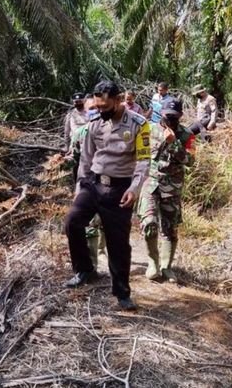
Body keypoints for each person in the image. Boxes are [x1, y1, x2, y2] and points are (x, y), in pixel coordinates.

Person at [63, 80, 151, 311]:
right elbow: (86, 159)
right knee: (72, 221)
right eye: (97, 107)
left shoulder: (138, 124)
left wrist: (134, 188)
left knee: (118, 243)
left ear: (119, 99)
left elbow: (143, 161)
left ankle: (122, 293)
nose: (100, 110)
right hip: (93, 184)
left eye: (105, 106)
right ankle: (85, 269)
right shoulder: (94, 123)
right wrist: (79, 188)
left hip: (120, 189)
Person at [138, 99, 195, 283]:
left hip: (172, 187)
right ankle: (153, 263)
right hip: (150, 182)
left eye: (174, 116)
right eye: (167, 115)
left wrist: (174, 143)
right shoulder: (149, 129)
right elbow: (138, 154)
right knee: (149, 222)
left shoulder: (186, 135)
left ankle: (166, 267)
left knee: (170, 228)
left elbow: (190, 162)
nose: (170, 119)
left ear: (180, 116)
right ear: (161, 113)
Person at [68, 97, 106, 271]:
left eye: (97, 108)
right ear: (85, 110)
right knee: (90, 224)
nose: (94, 111)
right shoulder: (80, 133)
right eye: (91, 108)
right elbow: (74, 159)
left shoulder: (113, 130)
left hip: (110, 184)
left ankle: (103, 251)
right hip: (88, 184)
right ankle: (92, 267)